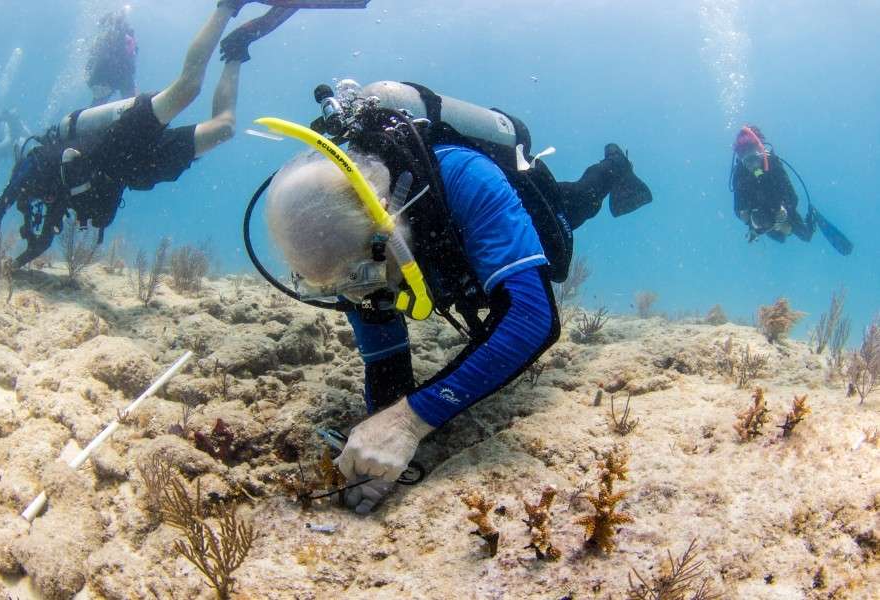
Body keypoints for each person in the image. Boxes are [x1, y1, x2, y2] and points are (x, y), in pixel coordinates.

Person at [252, 80, 652, 513]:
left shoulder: (465, 176)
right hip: (430, 247)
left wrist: (407, 422)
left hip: (509, 213)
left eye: (360, 277)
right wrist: (377, 434)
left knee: (574, 206)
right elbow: (385, 355)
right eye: (331, 288)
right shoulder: (349, 249)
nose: (359, 297)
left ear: (386, 227)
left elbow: (532, 320)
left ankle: (613, 167)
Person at [0, 0, 299, 273]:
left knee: (187, 88)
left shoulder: (31, 167)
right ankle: (236, 49)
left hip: (114, 144)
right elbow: (44, 240)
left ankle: (227, 6)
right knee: (224, 128)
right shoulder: (52, 197)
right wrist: (12, 266)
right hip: (135, 171)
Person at [730, 124, 852, 254]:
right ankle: (773, 227)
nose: (753, 166)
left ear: (761, 151)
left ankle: (814, 215)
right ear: (740, 159)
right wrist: (750, 222)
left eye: (754, 158)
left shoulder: (773, 164)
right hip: (759, 213)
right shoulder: (739, 174)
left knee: (806, 236)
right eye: (747, 161)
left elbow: (792, 196)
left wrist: (785, 209)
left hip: (780, 204)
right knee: (780, 239)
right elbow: (738, 208)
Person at [86, 10, 139, 107]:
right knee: (132, 106)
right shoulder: (107, 43)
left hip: (113, 76)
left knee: (131, 104)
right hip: (112, 76)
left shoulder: (107, 41)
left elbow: (90, 70)